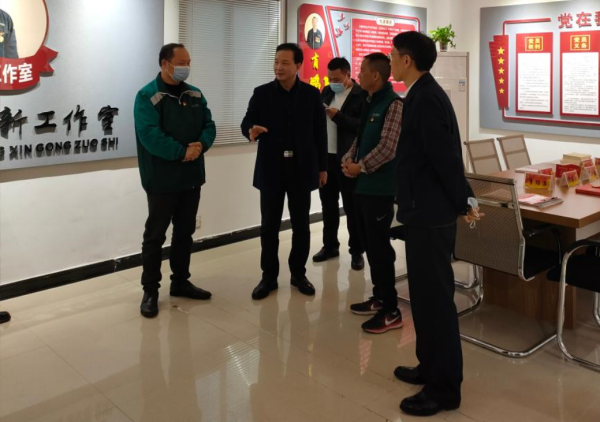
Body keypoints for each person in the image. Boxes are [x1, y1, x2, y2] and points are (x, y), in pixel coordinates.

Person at [389, 31, 482, 417]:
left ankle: (445, 389)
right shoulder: (421, 94)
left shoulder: (426, 99)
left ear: (406, 60)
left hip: (431, 215)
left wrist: (463, 200)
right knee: (424, 300)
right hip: (422, 211)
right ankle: (429, 367)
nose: (390, 61)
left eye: (393, 56)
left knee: (436, 303)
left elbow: (445, 158)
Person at [134, 43, 216, 318]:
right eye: (181, 63)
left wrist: (201, 145)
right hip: (161, 179)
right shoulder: (147, 96)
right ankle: (150, 290)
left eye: (188, 62)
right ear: (164, 64)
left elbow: (209, 125)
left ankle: (180, 281)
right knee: (155, 236)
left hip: (191, 178)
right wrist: (182, 152)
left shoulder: (195, 94)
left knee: (184, 233)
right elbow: (149, 135)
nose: (186, 67)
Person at [241, 43, 327, 300]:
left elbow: (320, 134)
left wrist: (322, 167)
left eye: (285, 63)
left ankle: (298, 273)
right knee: (269, 226)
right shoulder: (262, 93)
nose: (278, 67)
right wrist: (251, 130)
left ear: (298, 65)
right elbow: (247, 121)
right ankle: (268, 277)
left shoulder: (311, 95)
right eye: (276, 62)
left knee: (301, 225)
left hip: (302, 169)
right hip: (271, 169)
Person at [341, 53, 403, 334]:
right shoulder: (370, 101)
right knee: (369, 244)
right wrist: (349, 158)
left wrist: (361, 167)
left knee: (379, 250)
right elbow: (361, 138)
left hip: (379, 189)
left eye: (362, 70)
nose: (359, 74)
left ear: (375, 75)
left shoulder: (393, 104)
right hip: (363, 187)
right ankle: (379, 297)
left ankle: (391, 310)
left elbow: (388, 147)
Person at [313, 57, 365, 271]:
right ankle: (330, 246)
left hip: (348, 159)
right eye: (329, 78)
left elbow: (362, 126)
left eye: (336, 79)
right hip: (327, 157)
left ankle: (357, 251)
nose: (332, 82)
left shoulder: (361, 95)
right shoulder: (326, 92)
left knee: (352, 207)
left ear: (347, 74)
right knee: (328, 206)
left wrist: (338, 117)